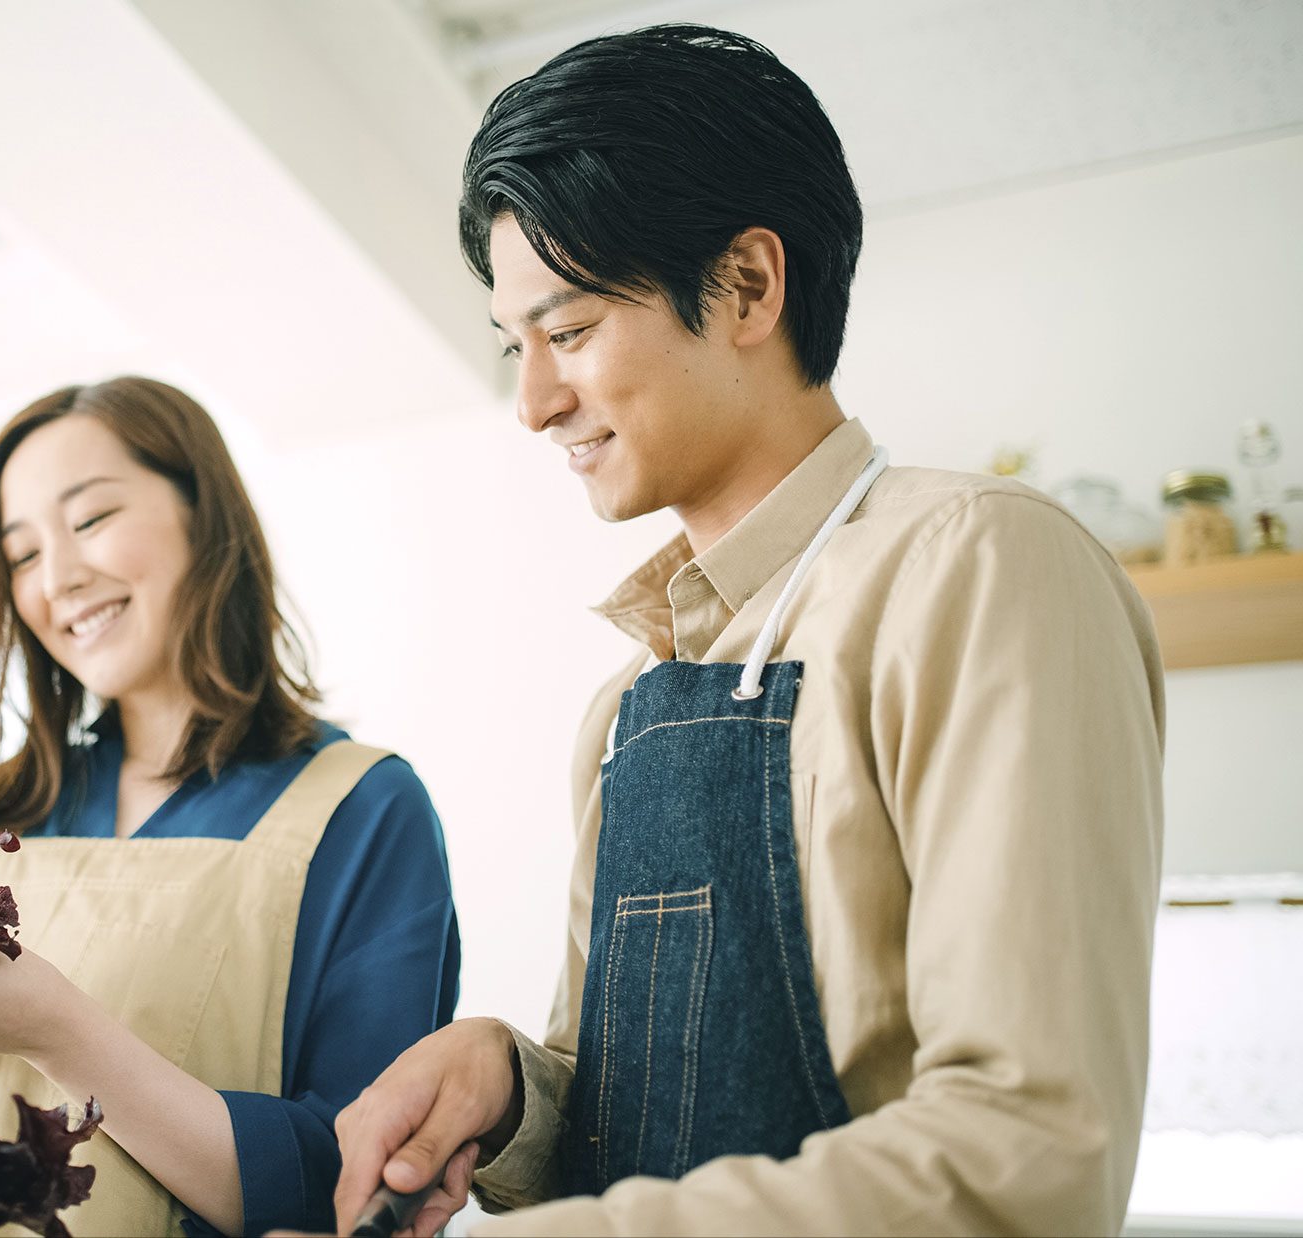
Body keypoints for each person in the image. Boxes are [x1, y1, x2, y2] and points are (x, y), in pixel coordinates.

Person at [331, 24, 1164, 1237]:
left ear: (747, 285)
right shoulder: (626, 703)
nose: (532, 402)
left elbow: (1027, 1151)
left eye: (565, 333)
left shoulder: (978, 565)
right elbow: (635, 1101)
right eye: (514, 347)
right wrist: (513, 1083)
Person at [0, 377, 461, 1237]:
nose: (60, 578)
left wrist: (59, 1034)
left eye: (91, 520)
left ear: (203, 513)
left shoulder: (361, 807)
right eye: (24, 554)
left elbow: (354, 1190)